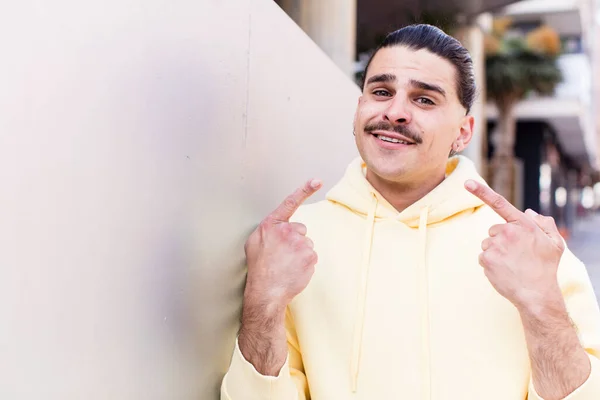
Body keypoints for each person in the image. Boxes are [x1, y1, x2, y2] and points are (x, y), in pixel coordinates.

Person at [220, 24, 600, 399]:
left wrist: (541, 304)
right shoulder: (295, 243)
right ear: (359, 109)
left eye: (424, 99)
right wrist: (263, 303)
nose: (396, 112)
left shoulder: (531, 250)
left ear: (463, 133)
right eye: (381, 92)